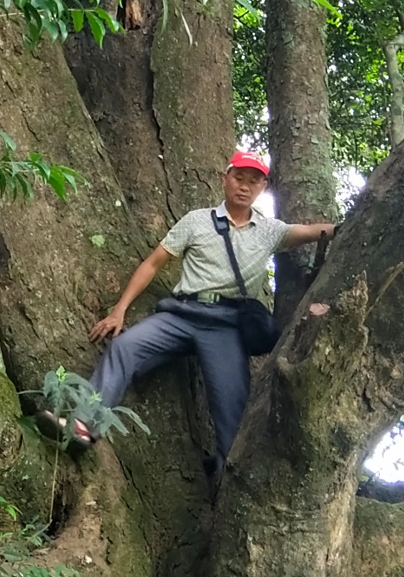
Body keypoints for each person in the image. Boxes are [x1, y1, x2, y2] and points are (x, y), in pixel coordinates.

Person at [40, 151, 335, 481]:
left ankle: (228, 478)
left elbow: (311, 231)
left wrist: (342, 228)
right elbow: (154, 262)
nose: (244, 187)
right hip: (183, 314)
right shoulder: (197, 221)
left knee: (231, 408)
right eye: (239, 178)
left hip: (226, 326)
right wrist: (119, 309)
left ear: (263, 187)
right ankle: (83, 424)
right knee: (125, 347)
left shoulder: (269, 231)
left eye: (254, 182)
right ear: (225, 178)